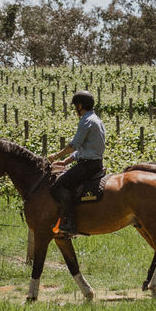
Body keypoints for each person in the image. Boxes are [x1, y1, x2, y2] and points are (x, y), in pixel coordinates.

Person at [47, 90, 106, 235]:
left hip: (87, 165)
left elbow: (74, 145)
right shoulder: (96, 119)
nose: (75, 110)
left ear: (79, 106)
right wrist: (66, 161)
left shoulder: (86, 121)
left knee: (58, 186)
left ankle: (71, 224)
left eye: (75, 106)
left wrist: (56, 156)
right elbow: (84, 148)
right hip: (93, 162)